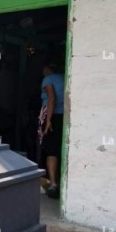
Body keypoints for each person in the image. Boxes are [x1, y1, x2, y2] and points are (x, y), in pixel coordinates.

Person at [38, 61, 65, 199]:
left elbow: (51, 98)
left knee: (51, 150)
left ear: (48, 68)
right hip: (64, 117)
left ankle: (53, 184)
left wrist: (48, 120)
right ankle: (60, 183)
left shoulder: (48, 79)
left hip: (52, 116)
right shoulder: (65, 77)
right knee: (61, 149)